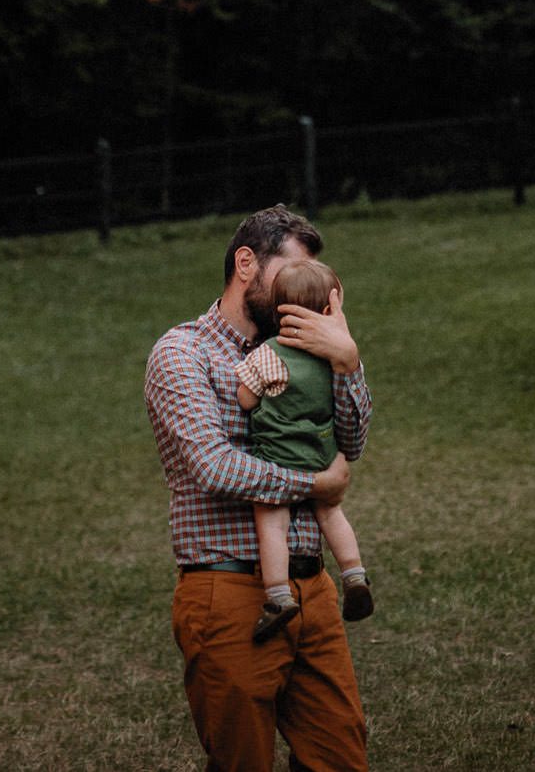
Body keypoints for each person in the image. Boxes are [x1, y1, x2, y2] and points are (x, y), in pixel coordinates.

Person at [145, 206, 373, 771]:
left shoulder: (307, 349)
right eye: (292, 273)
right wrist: (316, 483)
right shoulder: (183, 353)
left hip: (312, 588)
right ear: (246, 263)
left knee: (342, 758)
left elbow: (351, 440)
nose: (304, 291)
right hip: (228, 592)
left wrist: (347, 362)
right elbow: (215, 468)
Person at [236, 256, 375, 641]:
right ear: (330, 310)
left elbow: (246, 400)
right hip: (323, 453)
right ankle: (355, 574)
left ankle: (278, 597)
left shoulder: (269, 353)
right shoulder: (332, 359)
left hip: (281, 457)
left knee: (271, 522)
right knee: (331, 512)